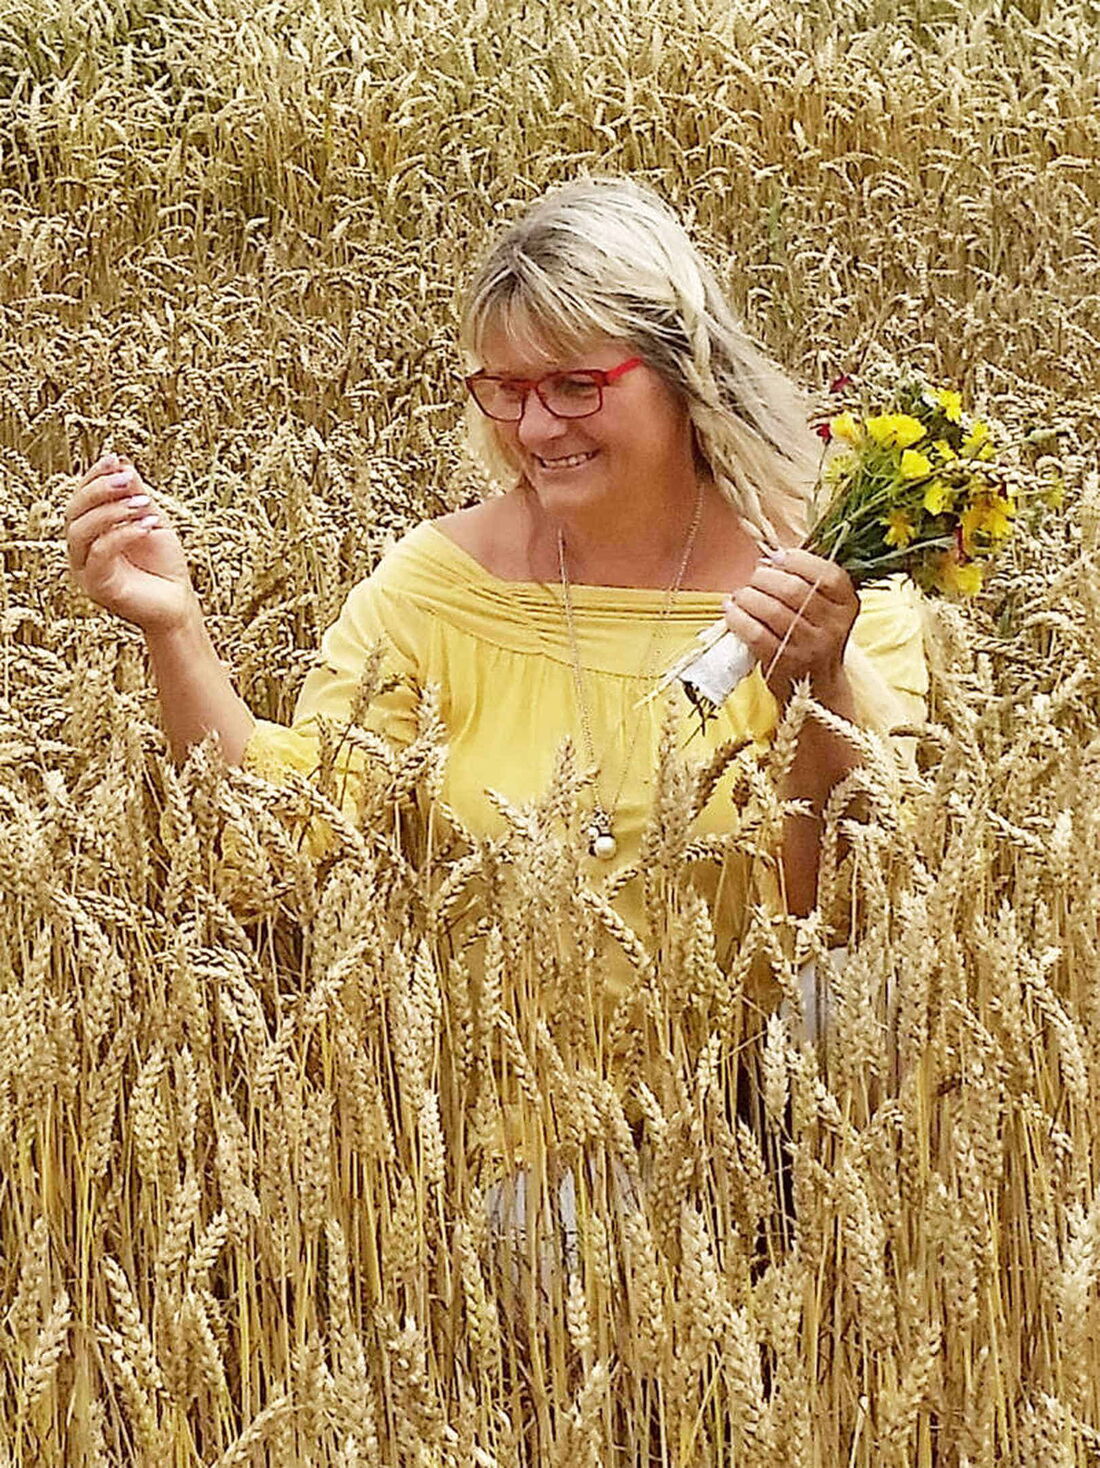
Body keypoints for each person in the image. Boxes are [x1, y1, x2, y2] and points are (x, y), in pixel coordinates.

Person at [65, 177, 927, 978]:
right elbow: (287, 847)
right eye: (506, 389)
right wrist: (173, 630)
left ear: (681, 374)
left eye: (576, 386)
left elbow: (865, 907)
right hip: (484, 1125)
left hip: (753, 1124)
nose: (538, 426)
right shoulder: (441, 587)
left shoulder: (827, 581)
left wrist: (815, 682)